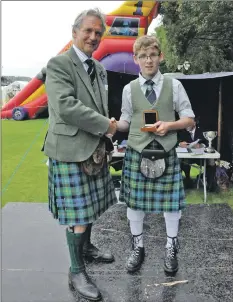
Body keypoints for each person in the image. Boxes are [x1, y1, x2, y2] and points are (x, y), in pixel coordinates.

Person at [43, 9, 118, 301]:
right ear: (74, 32)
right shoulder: (59, 64)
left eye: (98, 33)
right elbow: (65, 106)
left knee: (91, 208)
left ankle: (86, 248)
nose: (93, 37)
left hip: (94, 147)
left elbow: (99, 105)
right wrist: (106, 126)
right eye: (88, 31)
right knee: (79, 214)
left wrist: (107, 125)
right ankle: (77, 270)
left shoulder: (98, 68)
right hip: (70, 150)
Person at [116, 35, 195, 275]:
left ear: (160, 56)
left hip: (166, 150)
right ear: (136, 59)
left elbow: (189, 119)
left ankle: (171, 248)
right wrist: (111, 125)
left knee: (171, 206)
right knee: (134, 205)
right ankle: (137, 247)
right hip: (137, 151)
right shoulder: (128, 89)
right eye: (143, 56)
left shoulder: (175, 85)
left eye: (152, 55)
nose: (148, 60)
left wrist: (169, 126)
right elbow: (125, 122)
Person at [178, 118, 218, 191]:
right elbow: (178, 141)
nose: (186, 125)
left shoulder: (202, 130)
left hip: (201, 158)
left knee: (211, 162)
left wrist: (201, 145)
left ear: (194, 123)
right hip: (188, 158)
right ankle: (187, 180)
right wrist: (180, 143)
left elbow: (208, 143)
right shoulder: (182, 131)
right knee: (181, 161)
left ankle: (210, 184)